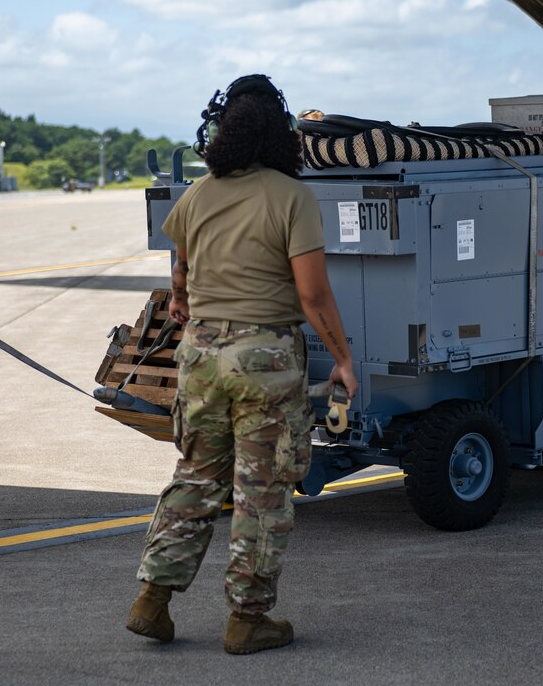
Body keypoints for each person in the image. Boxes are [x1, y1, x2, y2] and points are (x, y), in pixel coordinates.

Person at [125, 75, 358, 655]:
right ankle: (247, 619)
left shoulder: (199, 193)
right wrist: (343, 360)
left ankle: (152, 600)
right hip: (264, 360)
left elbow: (179, 270)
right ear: (280, 134)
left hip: (201, 357)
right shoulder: (291, 197)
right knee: (262, 490)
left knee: (196, 477)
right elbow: (313, 294)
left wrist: (184, 302)